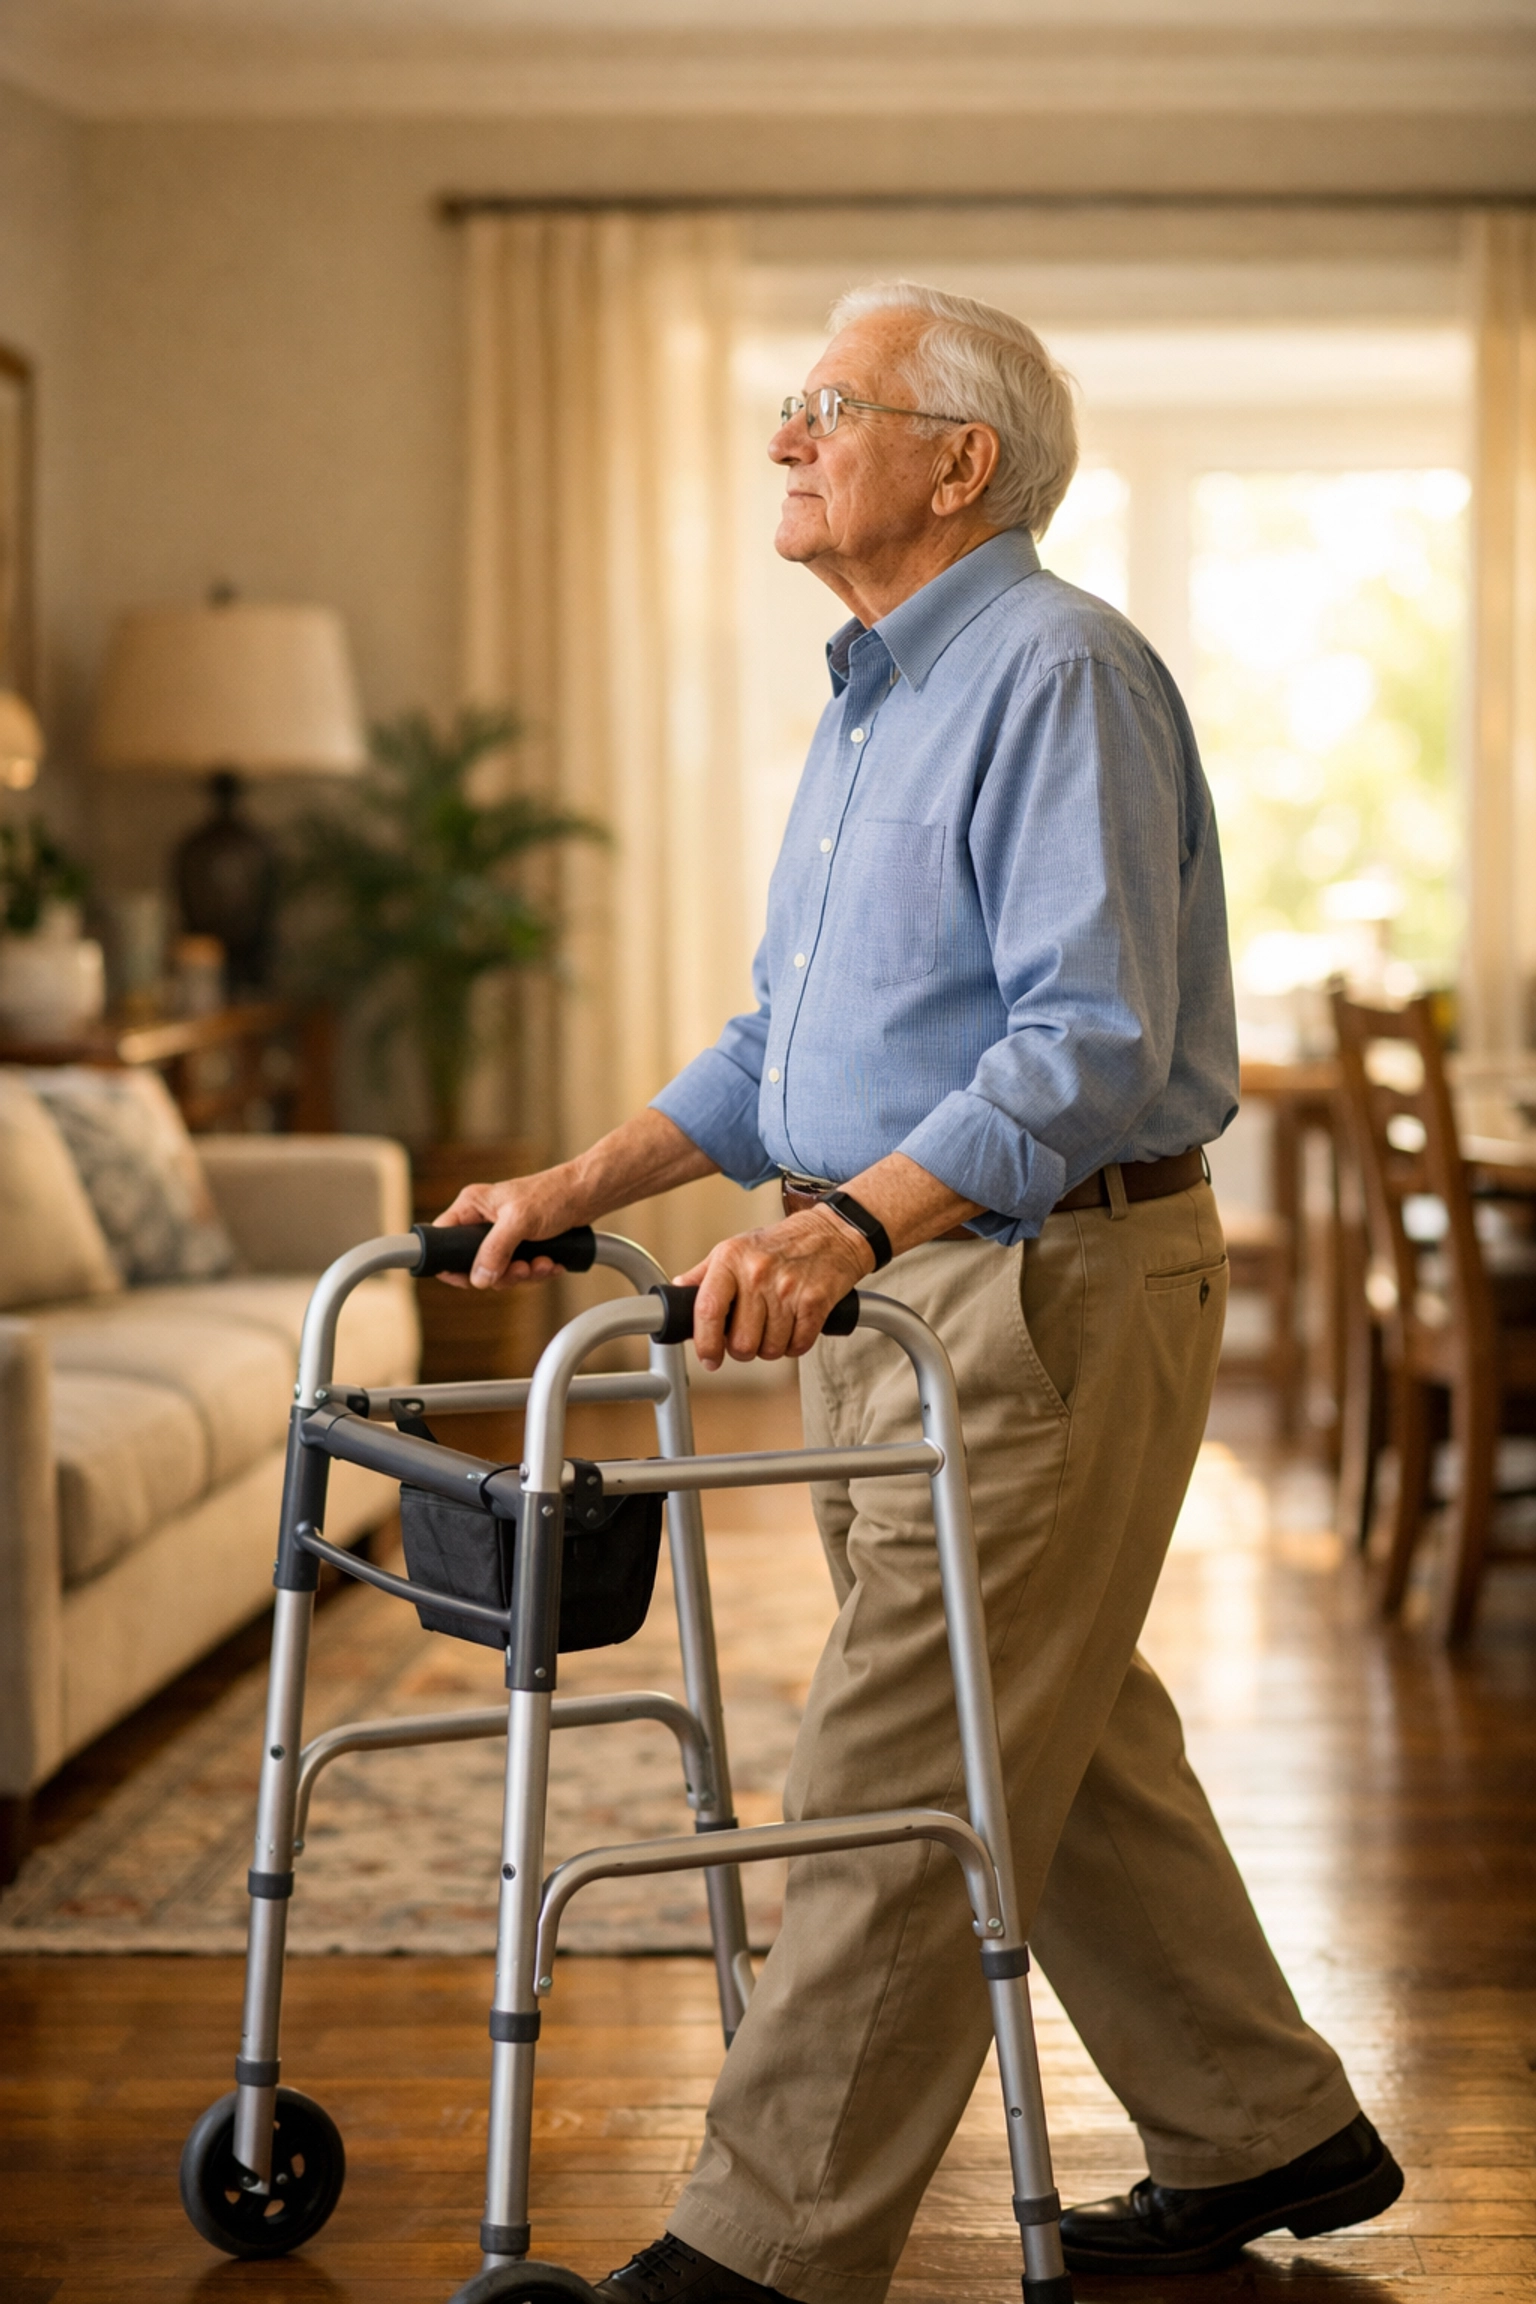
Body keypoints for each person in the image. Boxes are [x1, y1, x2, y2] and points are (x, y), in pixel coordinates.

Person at [437, 281, 1402, 2297]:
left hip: (1032, 1285)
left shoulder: (1057, 670)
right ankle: (1265, 2124)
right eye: (790, 407)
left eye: (830, 406)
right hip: (893, 1299)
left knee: (907, 1771)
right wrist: (575, 1179)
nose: (785, 437)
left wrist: (851, 1225)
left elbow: (1084, 1042)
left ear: (960, 461)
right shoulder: (878, 689)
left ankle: (761, 2253)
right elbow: (789, 1044)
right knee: (1049, 1727)